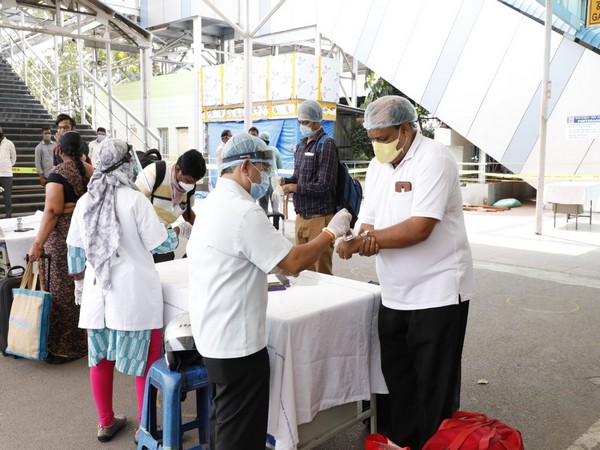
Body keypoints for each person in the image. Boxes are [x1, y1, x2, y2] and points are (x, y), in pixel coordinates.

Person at [187, 133, 352, 450]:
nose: (267, 177)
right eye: (264, 169)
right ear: (245, 167)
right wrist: (332, 231)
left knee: (223, 422)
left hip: (212, 336)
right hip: (238, 345)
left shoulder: (210, 204)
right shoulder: (244, 212)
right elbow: (293, 262)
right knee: (242, 435)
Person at [336, 95, 474, 450]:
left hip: (437, 292)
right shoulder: (378, 167)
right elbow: (369, 220)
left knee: (434, 385)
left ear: (406, 129)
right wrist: (351, 237)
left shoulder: (434, 159)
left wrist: (368, 240)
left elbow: (419, 228)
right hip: (394, 292)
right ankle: (404, 441)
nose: (378, 146)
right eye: (374, 139)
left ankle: (435, 443)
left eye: (384, 138)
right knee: (398, 377)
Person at [66, 138, 177, 443]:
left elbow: (74, 255)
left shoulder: (85, 202)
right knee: (145, 362)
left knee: (100, 360)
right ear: (126, 164)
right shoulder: (134, 199)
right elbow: (161, 244)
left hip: (97, 296)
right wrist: (175, 233)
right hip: (134, 296)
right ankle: (145, 428)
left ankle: (106, 422)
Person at [28, 131, 93, 364]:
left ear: (59, 150)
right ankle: (84, 341)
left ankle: (64, 346)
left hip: (62, 241)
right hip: (86, 239)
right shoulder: (90, 171)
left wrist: (37, 244)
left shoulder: (57, 174)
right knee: (81, 288)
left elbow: (52, 210)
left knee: (61, 291)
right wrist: (74, 206)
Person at [281, 99, 339, 275]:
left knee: (321, 271)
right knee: (303, 271)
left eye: (305, 122)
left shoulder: (327, 144)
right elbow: (298, 177)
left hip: (320, 218)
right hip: (301, 217)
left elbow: (324, 186)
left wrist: (294, 188)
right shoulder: (301, 145)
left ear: (317, 120)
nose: (302, 126)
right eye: (300, 123)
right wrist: (285, 181)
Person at [135, 149, 206, 262]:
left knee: (166, 269)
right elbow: (133, 208)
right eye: (188, 180)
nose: (190, 185)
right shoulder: (154, 173)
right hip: (143, 233)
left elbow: (187, 213)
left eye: (194, 182)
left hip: (165, 233)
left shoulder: (190, 187)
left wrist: (204, 231)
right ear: (178, 169)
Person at [257, 131, 283, 214]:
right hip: (273, 180)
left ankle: (265, 224)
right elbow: (280, 166)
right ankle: (276, 225)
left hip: (262, 180)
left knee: (263, 205)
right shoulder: (275, 150)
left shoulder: (258, 151)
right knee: (275, 205)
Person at [0, 126, 16, 218]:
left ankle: (8, 218)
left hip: (6, 175)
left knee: (7, 199)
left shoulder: (9, 143)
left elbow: (13, 158)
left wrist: (7, 166)